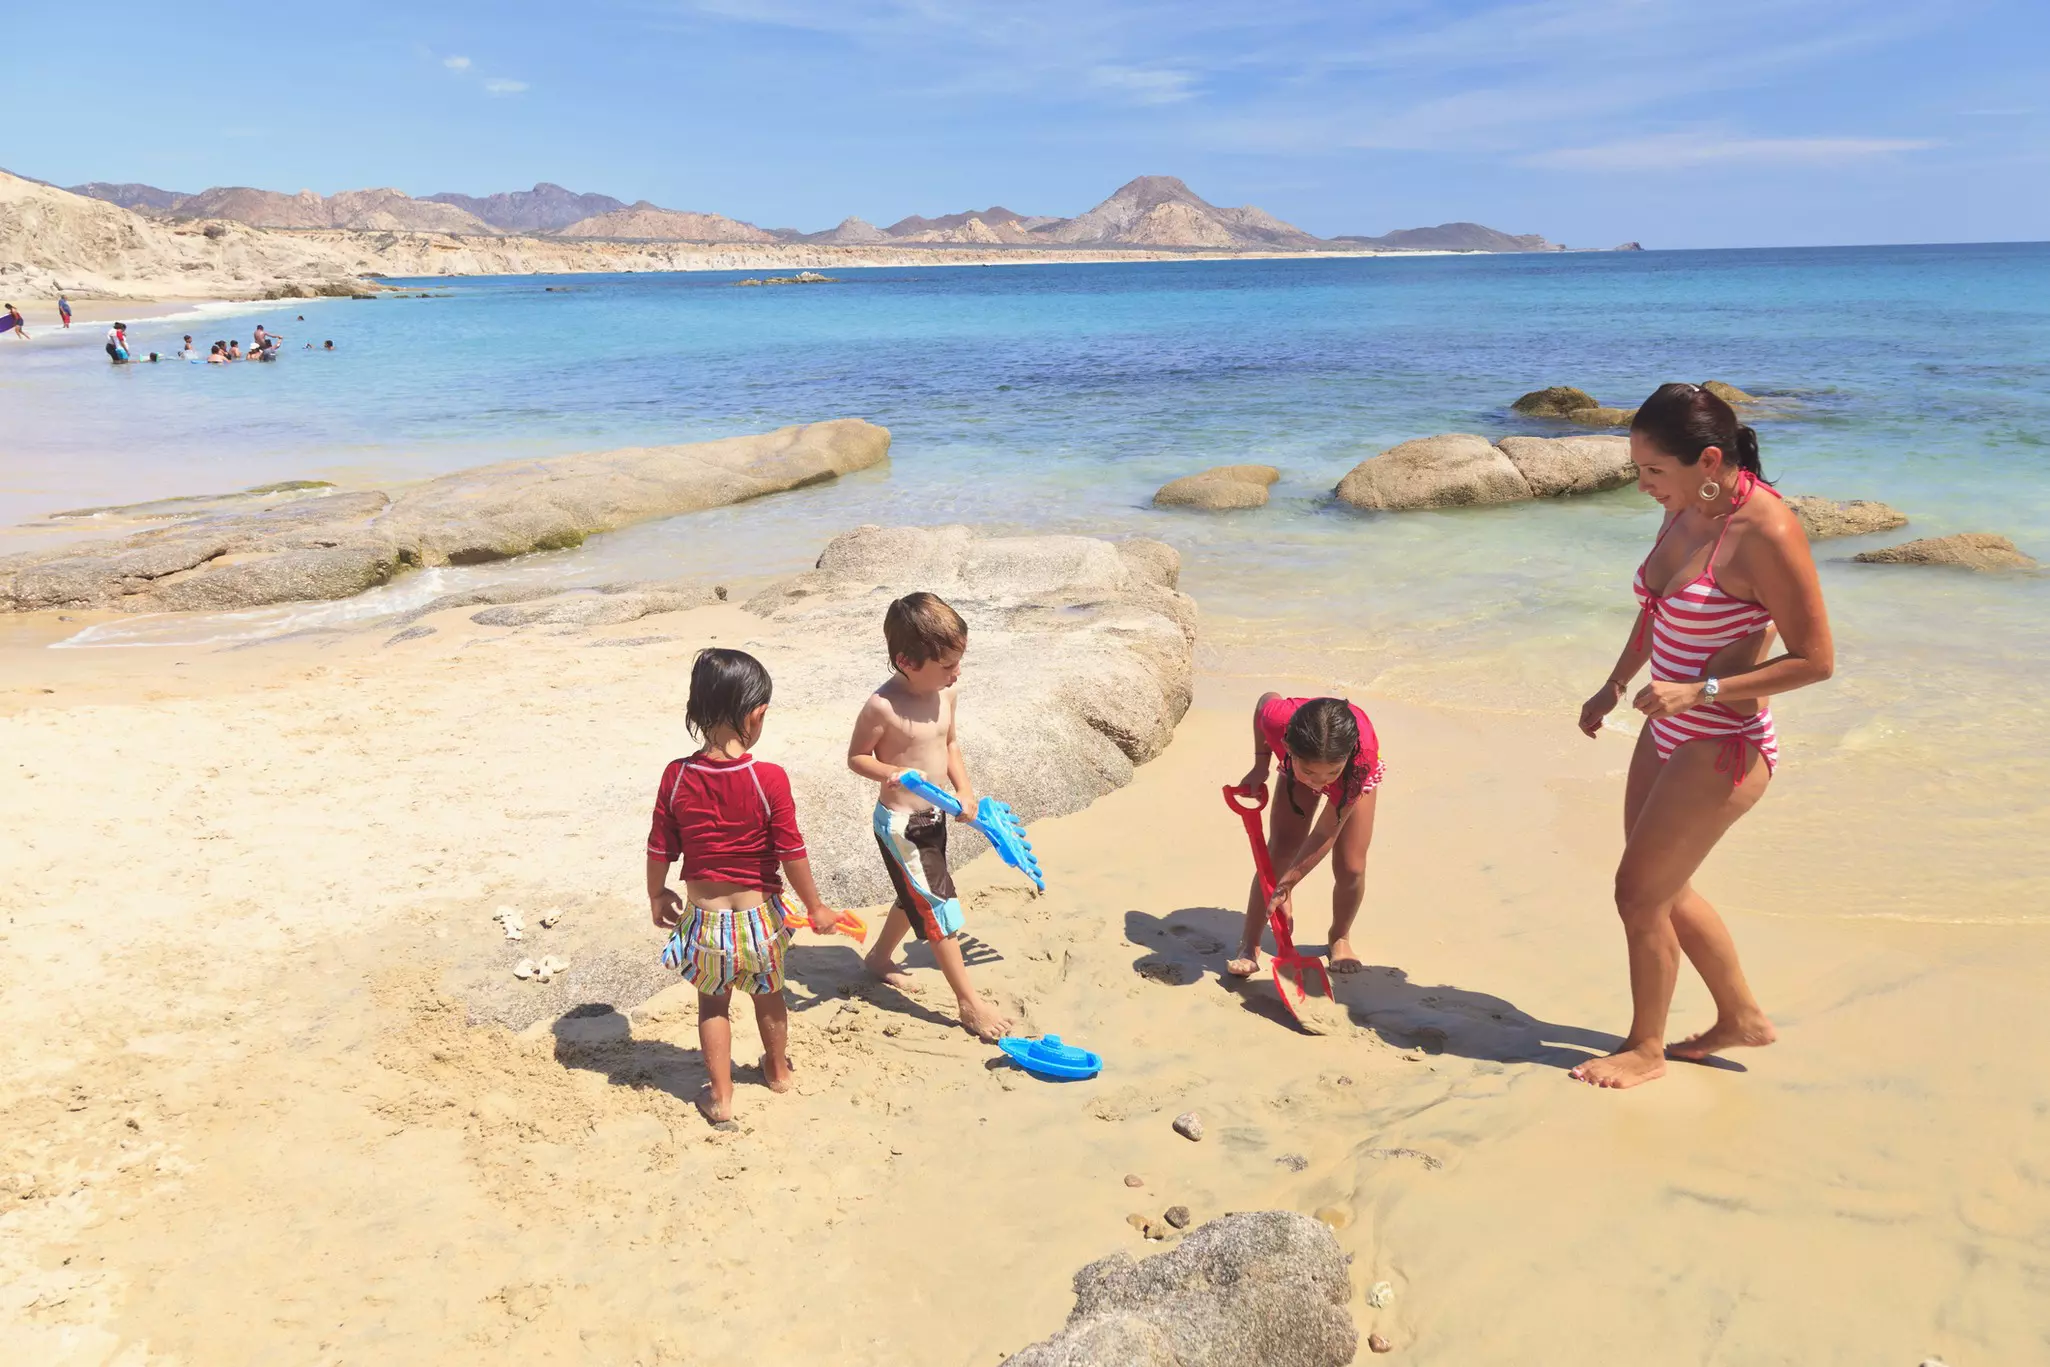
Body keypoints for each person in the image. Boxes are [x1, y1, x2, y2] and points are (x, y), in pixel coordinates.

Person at [1572, 383, 1835, 1090]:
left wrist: (1701, 689)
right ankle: (1742, 1017)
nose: (1643, 485)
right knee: (1664, 886)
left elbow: (1817, 659)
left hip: (1724, 742)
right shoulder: (1688, 506)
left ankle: (1645, 1048)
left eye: (1653, 471)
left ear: (1709, 459)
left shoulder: (1767, 530)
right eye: (1638, 470)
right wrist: (1614, 682)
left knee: (1637, 892)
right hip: (1668, 726)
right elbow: (1657, 610)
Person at [646, 648, 848, 1128]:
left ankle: (721, 1098)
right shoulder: (767, 778)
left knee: (712, 1004)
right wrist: (815, 906)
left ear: (697, 711)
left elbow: (660, 846)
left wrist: (657, 895)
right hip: (760, 920)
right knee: (769, 992)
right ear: (756, 716)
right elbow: (790, 851)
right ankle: (777, 1070)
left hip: (705, 921)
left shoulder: (677, 776)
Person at [846, 592, 1015, 1041]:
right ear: (906, 660)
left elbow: (950, 745)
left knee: (915, 894)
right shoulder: (882, 707)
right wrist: (891, 771)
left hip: (936, 819)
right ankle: (969, 1004)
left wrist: (965, 791)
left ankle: (879, 959)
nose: (956, 672)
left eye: (959, 661)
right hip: (902, 825)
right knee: (938, 907)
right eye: (945, 665)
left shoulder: (947, 694)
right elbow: (857, 758)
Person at [1227, 694, 1385, 978]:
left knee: (1351, 866)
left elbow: (1326, 831)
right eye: (1310, 772)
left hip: (1352, 776)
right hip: (1303, 759)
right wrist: (1261, 764)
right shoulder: (1277, 719)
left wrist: (1287, 885)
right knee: (1280, 851)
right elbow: (1264, 700)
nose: (1319, 782)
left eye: (1329, 774)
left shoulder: (1359, 761)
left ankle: (1340, 937)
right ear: (1287, 747)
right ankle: (1249, 945)